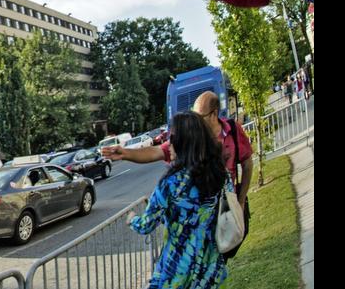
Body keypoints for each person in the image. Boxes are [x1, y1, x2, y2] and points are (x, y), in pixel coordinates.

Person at [103, 91, 254, 258]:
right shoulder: (209, 160)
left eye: (200, 117)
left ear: (214, 114)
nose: (170, 146)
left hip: (211, 228)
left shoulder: (172, 183)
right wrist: (124, 153)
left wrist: (240, 201)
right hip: (205, 245)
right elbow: (155, 151)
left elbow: (247, 165)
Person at [127, 111, 231, 288]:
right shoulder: (221, 174)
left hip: (176, 271)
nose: (168, 146)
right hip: (208, 267)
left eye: (171, 139)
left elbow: (146, 225)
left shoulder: (172, 184)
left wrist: (131, 219)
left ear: (183, 143)